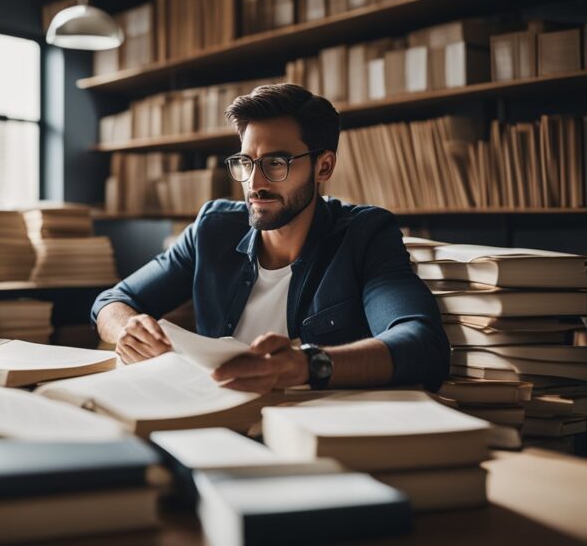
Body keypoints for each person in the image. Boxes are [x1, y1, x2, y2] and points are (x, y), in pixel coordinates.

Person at [92, 83, 450, 394]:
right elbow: (112, 300)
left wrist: (306, 365)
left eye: (276, 163)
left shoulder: (365, 235)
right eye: (246, 163)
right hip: (210, 417)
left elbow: (422, 345)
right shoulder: (213, 229)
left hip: (308, 432)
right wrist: (127, 329)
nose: (255, 184)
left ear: (323, 166)